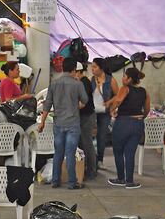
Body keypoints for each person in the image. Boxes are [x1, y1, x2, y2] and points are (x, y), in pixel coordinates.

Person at [38, 57, 88, 190]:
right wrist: (75, 106)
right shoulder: (78, 84)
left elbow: (47, 104)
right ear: (73, 70)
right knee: (70, 153)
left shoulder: (54, 83)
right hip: (72, 123)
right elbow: (84, 100)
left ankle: (55, 181)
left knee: (58, 152)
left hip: (58, 123)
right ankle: (72, 183)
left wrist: (42, 122)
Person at [107, 67, 150, 189]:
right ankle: (130, 181)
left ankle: (121, 178)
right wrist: (140, 118)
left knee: (118, 151)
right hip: (138, 124)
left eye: (125, 76)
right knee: (130, 153)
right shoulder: (144, 91)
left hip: (123, 123)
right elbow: (147, 109)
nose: (122, 78)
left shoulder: (125, 88)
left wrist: (112, 110)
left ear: (130, 79)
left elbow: (119, 100)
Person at [90, 58, 116, 167]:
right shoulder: (91, 79)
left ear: (101, 68)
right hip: (92, 112)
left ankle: (100, 160)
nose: (92, 69)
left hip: (104, 112)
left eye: (95, 67)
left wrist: (109, 102)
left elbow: (118, 96)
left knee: (101, 136)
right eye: (92, 67)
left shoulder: (110, 80)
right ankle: (91, 160)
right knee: (89, 136)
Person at [78, 67, 99, 180]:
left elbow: (83, 103)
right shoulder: (81, 82)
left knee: (87, 143)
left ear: (79, 72)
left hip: (87, 116)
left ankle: (92, 170)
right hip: (83, 116)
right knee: (82, 142)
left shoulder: (84, 83)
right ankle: (84, 167)